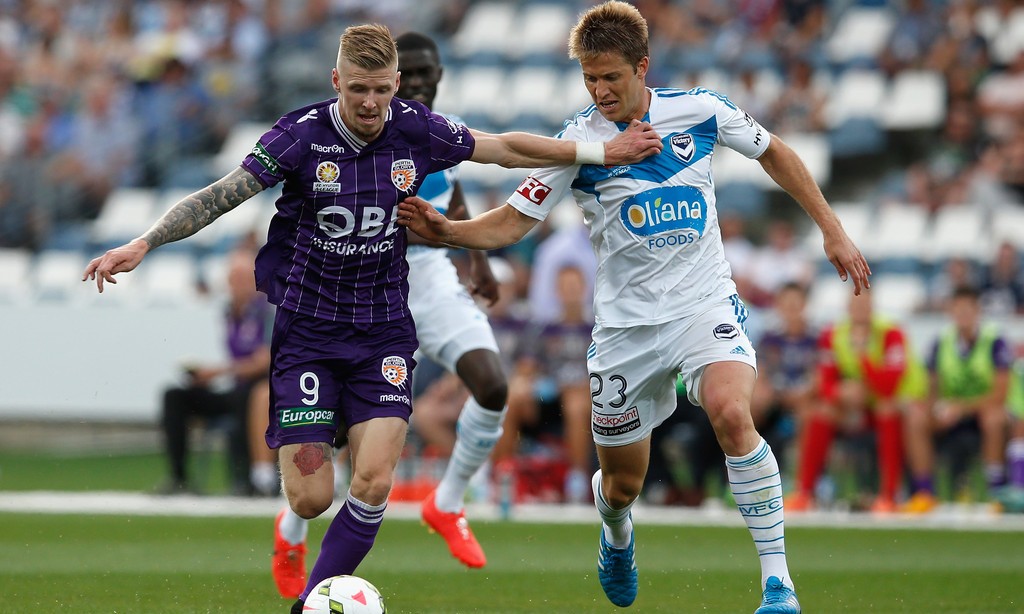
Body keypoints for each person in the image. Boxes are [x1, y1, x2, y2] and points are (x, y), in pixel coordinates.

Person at [83, 23, 662, 613]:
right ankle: (294, 536)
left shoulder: (414, 127)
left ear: (395, 87)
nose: (370, 103)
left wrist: (601, 151)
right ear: (337, 81)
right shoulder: (300, 136)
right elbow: (224, 193)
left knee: (374, 482)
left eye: (382, 90)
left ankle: (309, 604)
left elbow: (504, 147)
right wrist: (146, 242)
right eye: (358, 88)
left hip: (383, 328)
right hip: (308, 332)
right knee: (311, 498)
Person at [398, 3, 870, 611]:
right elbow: (512, 223)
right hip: (626, 331)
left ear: (641, 67)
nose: (599, 91)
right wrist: (448, 233)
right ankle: (617, 535)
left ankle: (778, 584)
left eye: (611, 78)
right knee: (622, 484)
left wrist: (831, 229)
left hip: (704, 304)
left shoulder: (699, 110)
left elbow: (774, 150)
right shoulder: (577, 143)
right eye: (589, 79)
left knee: (731, 412)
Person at [268, 31, 520, 599]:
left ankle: (448, 502)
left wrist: (474, 259)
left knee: (492, 383)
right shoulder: (350, 132)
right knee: (330, 436)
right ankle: (292, 528)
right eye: (419, 74)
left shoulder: (437, 133)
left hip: (425, 276)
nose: (426, 84)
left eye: (432, 75)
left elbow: (452, 203)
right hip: (350, 283)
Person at [785, 290, 927, 514]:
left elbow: (889, 387)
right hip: (856, 408)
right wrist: (841, 393)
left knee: (887, 408)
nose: (860, 309)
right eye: (855, 304)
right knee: (820, 411)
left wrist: (862, 358)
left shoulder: (890, 333)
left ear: (873, 306)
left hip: (894, 405)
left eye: (865, 304)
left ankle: (891, 495)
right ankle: (805, 492)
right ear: (848, 307)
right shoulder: (834, 333)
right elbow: (826, 379)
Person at [157, 246, 271, 496]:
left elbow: (265, 360)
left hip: (262, 391)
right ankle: (178, 477)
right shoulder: (230, 312)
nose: (236, 285)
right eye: (232, 279)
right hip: (236, 386)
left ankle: (247, 480)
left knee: (249, 396)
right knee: (174, 395)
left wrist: (217, 372)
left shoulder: (267, 311)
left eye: (242, 279)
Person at [903, 285, 1013, 511]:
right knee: (915, 419)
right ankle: (925, 493)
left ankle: (996, 493)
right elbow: (931, 390)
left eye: (968, 309)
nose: (963, 314)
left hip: (980, 414)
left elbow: (1000, 395)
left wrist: (961, 408)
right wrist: (936, 410)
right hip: (950, 415)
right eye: (958, 309)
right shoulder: (940, 344)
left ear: (977, 311)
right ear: (950, 312)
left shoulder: (994, 342)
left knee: (994, 418)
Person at [494, 264, 596, 503]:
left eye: (575, 287)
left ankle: (577, 480)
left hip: (585, 398)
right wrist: (525, 386)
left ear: (584, 289)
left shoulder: (596, 330)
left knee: (575, 403)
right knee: (513, 395)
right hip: (548, 396)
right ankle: (500, 474)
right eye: (565, 287)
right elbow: (527, 367)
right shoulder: (543, 331)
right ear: (557, 291)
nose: (570, 292)